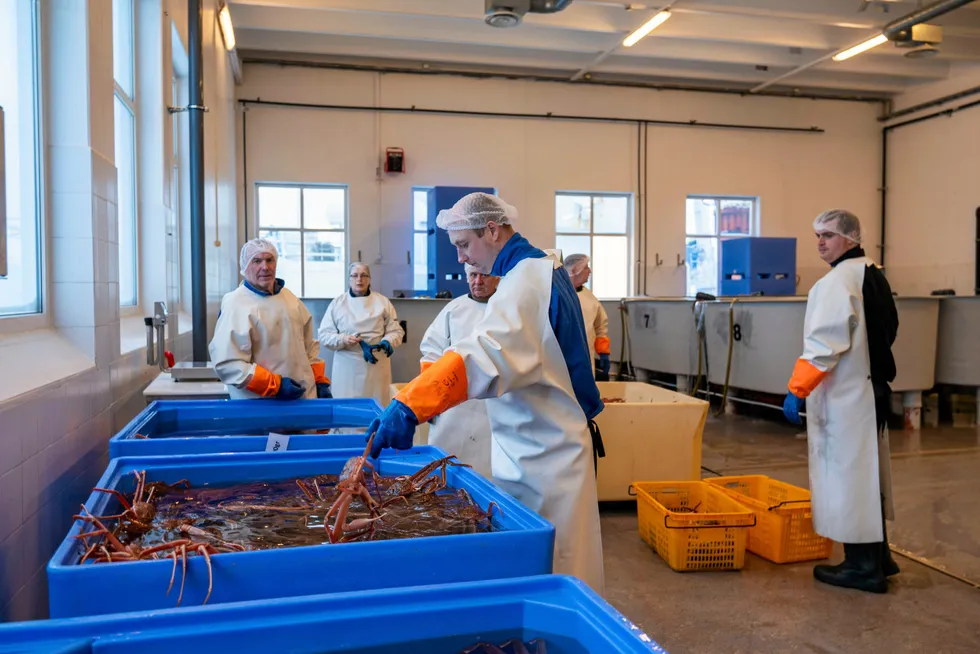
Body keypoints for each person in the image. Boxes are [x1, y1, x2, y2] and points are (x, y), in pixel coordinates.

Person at [365, 192, 605, 593]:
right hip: (540, 444)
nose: (461, 259)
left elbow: (484, 355)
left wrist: (410, 405)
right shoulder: (537, 271)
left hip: (546, 457)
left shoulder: (525, 282)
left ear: (492, 230)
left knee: (556, 567)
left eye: (463, 245)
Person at [782, 209, 900, 594]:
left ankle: (863, 568)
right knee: (867, 476)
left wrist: (797, 388)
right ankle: (879, 558)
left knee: (851, 480)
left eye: (829, 235)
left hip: (849, 398)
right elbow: (890, 329)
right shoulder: (873, 273)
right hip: (872, 390)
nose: (820, 242)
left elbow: (823, 345)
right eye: (817, 234)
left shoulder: (838, 281)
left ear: (850, 239)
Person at [209, 238, 331, 401]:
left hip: (302, 400)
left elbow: (309, 347)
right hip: (260, 406)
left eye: (269, 260)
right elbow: (228, 364)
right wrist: (275, 385)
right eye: (257, 261)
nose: (265, 267)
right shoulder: (235, 304)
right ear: (245, 266)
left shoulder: (290, 299)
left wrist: (320, 381)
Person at [417, 264, 500, 478]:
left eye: (485, 275)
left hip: (494, 404)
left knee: (489, 469)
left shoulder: (506, 309)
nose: (478, 281)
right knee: (446, 466)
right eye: (473, 275)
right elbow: (431, 354)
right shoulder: (453, 309)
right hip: (453, 405)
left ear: (498, 278)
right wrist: (430, 399)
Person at [318, 262, 404, 407]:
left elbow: (396, 331)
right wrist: (344, 339)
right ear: (349, 279)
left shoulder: (383, 302)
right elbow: (324, 335)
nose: (359, 279)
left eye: (364, 275)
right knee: (346, 410)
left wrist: (387, 341)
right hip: (347, 368)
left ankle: (376, 430)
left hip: (376, 365)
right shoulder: (338, 304)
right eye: (355, 275)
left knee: (377, 407)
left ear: (369, 279)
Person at [563, 254, 611, 379]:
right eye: (586, 267)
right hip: (562, 357)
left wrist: (603, 352)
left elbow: (600, 326)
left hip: (586, 357)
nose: (589, 271)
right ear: (574, 270)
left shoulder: (589, 297)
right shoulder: (559, 294)